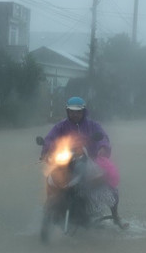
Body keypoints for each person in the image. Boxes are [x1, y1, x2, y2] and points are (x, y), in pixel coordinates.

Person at [40, 96, 127, 229]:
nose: (74, 114)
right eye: (72, 111)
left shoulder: (93, 125)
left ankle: (116, 216)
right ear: (67, 111)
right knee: (51, 179)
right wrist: (46, 151)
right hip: (65, 162)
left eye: (78, 112)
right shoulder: (60, 126)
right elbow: (50, 139)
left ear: (83, 112)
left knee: (108, 186)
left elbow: (102, 137)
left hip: (89, 160)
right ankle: (49, 207)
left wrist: (103, 147)